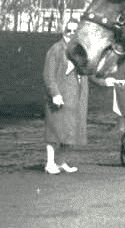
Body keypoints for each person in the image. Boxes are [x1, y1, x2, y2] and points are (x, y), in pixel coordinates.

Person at [43, 24, 110, 174]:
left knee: (71, 131)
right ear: (63, 31)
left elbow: (88, 72)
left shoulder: (80, 51)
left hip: (77, 98)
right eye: (69, 30)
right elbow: (48, 75)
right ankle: (50, 163)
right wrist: (55, 94)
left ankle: (60, 161)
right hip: (60, 97)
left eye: (75, 31)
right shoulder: (56, 50)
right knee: (55, 131)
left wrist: (104, 82)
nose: (71, 33)